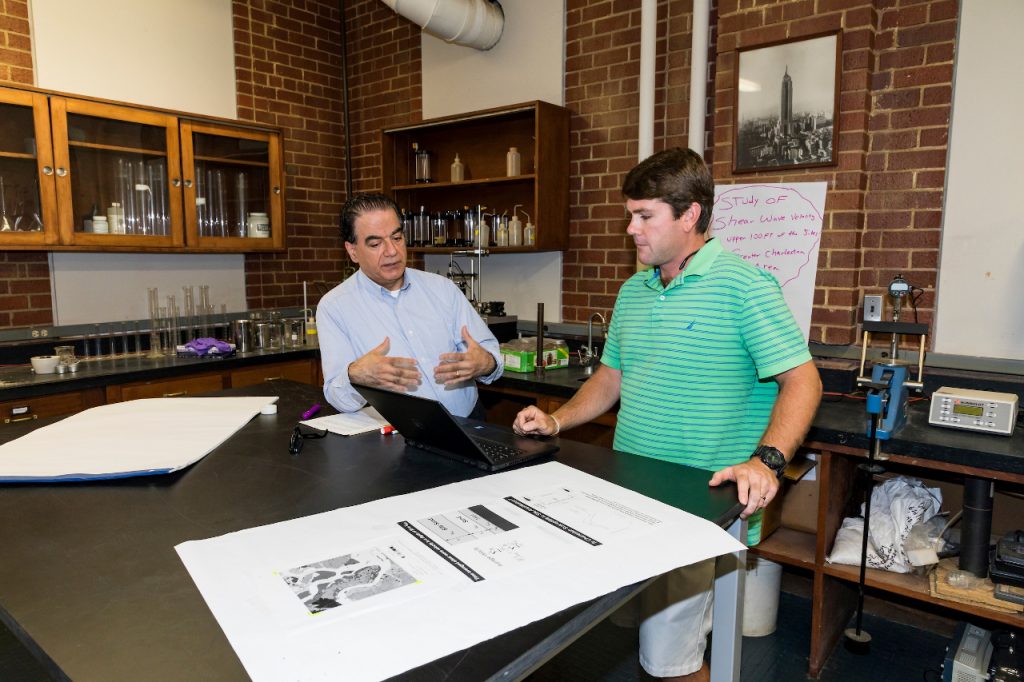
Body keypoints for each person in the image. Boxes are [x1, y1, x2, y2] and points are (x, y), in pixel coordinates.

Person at [512, 147, 822, 681]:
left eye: (644, 215)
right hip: (629, 494)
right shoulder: (635, 290)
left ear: (690, 215)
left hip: (700, 504)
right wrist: (557, 420)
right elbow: (612, 377)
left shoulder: (746, 286)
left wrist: (766, 462)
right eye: (630, 214)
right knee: (626, 632)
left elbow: (804, 380)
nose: (631, 228)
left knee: (669, 663)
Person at [318, 193, 502, 419]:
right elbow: (337, 396)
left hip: (468, 421)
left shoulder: (442, 289)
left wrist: (486, 363)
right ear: (352, 251)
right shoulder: (334, 307)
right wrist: (355, 374)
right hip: (396, 438)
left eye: (396, 238)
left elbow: (492, 357)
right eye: (376, 243)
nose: (392, 251)